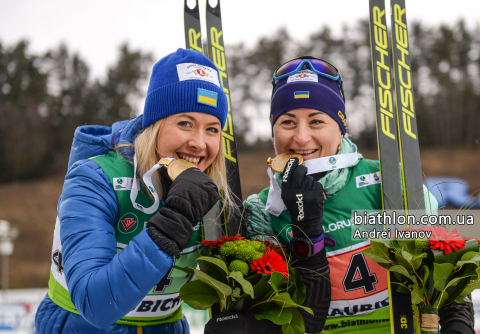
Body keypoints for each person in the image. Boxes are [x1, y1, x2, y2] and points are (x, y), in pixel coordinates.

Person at [243, 57, 475, 334]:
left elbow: (447, 265)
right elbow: (274, 312)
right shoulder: (263, 210)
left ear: (340, 130)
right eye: (288, 122)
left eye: (316, 121)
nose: (301, 138)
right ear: (273, 133)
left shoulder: (386, 180)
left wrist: (457, 325)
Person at [34, 48, 234, 334]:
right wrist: (174, 220)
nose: (199, 144)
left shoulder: (213, 196)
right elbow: (95, 305)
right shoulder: (94, 179)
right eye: (185, 123)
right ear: (154, 124)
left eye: (212, 129)